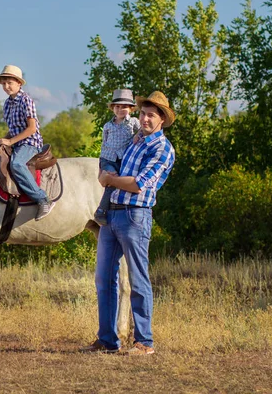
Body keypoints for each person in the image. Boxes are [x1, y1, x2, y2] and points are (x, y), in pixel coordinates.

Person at [82, 91, 176, 355]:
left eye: (151, 116)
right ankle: (108, 340)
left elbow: (138, 184)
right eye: (143, 114)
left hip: (135, 215)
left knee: (137, 278)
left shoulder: (162, 149)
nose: (145, 119)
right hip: (112, 213)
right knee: (103, 278)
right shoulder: (136, 141)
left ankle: (144, 342)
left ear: (161, 120)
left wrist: (109, 180)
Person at [0, 64, 55, 221]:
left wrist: (11, 141)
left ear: (19, 83)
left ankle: (43, 199)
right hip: (16, 142)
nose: (6, 86)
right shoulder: (7, 104)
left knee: (17, 164)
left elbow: (31, 129)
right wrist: (3, 140)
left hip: (30, 142)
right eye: (4, 83)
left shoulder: (26, 100)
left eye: (10, 83)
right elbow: (13, 130)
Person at [94, 89, 141, 226]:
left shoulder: (133, 122)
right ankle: (100, 211)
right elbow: (104, 144)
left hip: (122, 159)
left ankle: (111, 211)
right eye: (117, 106)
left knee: (118, 184)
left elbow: (143, 131)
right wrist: (100, 167)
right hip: (108, 158)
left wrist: (138, 134)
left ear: (131, 109)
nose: (120, 109)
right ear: (113, 108)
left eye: (124, 107)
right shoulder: (108, 125)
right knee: (111, 179)